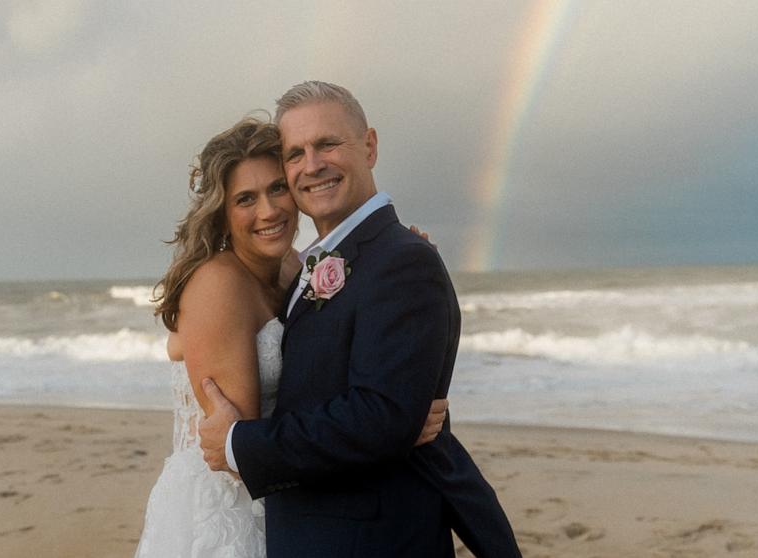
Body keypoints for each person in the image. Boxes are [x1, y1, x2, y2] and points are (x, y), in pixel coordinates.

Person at [198, 82, 522, 557]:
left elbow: (380, 417)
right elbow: (370, 406)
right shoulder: (308, 264)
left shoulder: (401, 260)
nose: (313, 165)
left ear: (368, 146)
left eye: (328, 143)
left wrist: (237, 444)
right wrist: (397, 417)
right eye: (295, 154)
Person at [135, 117, 447, 557]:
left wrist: (394, 405)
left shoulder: (299, 268)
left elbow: (340, 347)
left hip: (292, 495)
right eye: (246, 199)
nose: (269, 211)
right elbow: (238, 449)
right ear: (223, 211)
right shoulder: (218, 284)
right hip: (232, 505)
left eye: (277, 188)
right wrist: (386, 428)